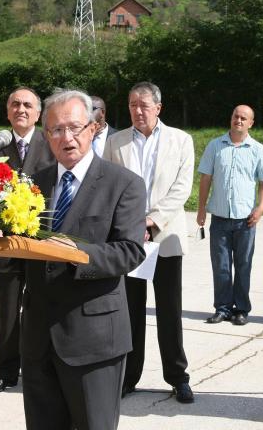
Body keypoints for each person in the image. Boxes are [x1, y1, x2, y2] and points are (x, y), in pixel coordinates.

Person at [21, 88, 146, 430]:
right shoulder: (31, 185)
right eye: (57, 130)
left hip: (93, 339)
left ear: (92, 128)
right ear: (46, 135)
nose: (67, 137)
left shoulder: (124, 184)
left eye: (75, 127)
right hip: (37, 336)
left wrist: (74, 253)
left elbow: (129, 251)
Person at [104, 81, 196, 403]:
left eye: (143, 105)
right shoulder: (115, 143)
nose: (137, 110)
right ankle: (129, 376)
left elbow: (182, 189)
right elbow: (109, 189)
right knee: (129, 311)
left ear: (158, 107)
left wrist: (152, 220)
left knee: (169, 312)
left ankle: (177, 376)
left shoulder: (181, 141)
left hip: (165, 238)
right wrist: (130, 226)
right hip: (128, 242)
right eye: (132, 104)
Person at [0, 87, 54, 395]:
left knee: (40, 310)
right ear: (7, 111)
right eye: (15, 104)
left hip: (41, 244)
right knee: (7, 311)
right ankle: (5, 370)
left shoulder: (51, 143)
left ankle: (40, 370)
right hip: (6, 246)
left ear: (38, 113)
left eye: (27, 105)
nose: (21, 109)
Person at [196, 104, 263, 326]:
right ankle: (222, 308)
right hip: (219, 218)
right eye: (235, 116)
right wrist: (201, 209)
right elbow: (205, 178)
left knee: (243, 264)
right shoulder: (215, 146)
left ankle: (241, 309)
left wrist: (260, 208)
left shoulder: (258, 150)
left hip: (246, 220)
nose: (238, 120)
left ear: (251, 123)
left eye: (243, 118)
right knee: (220, 265)